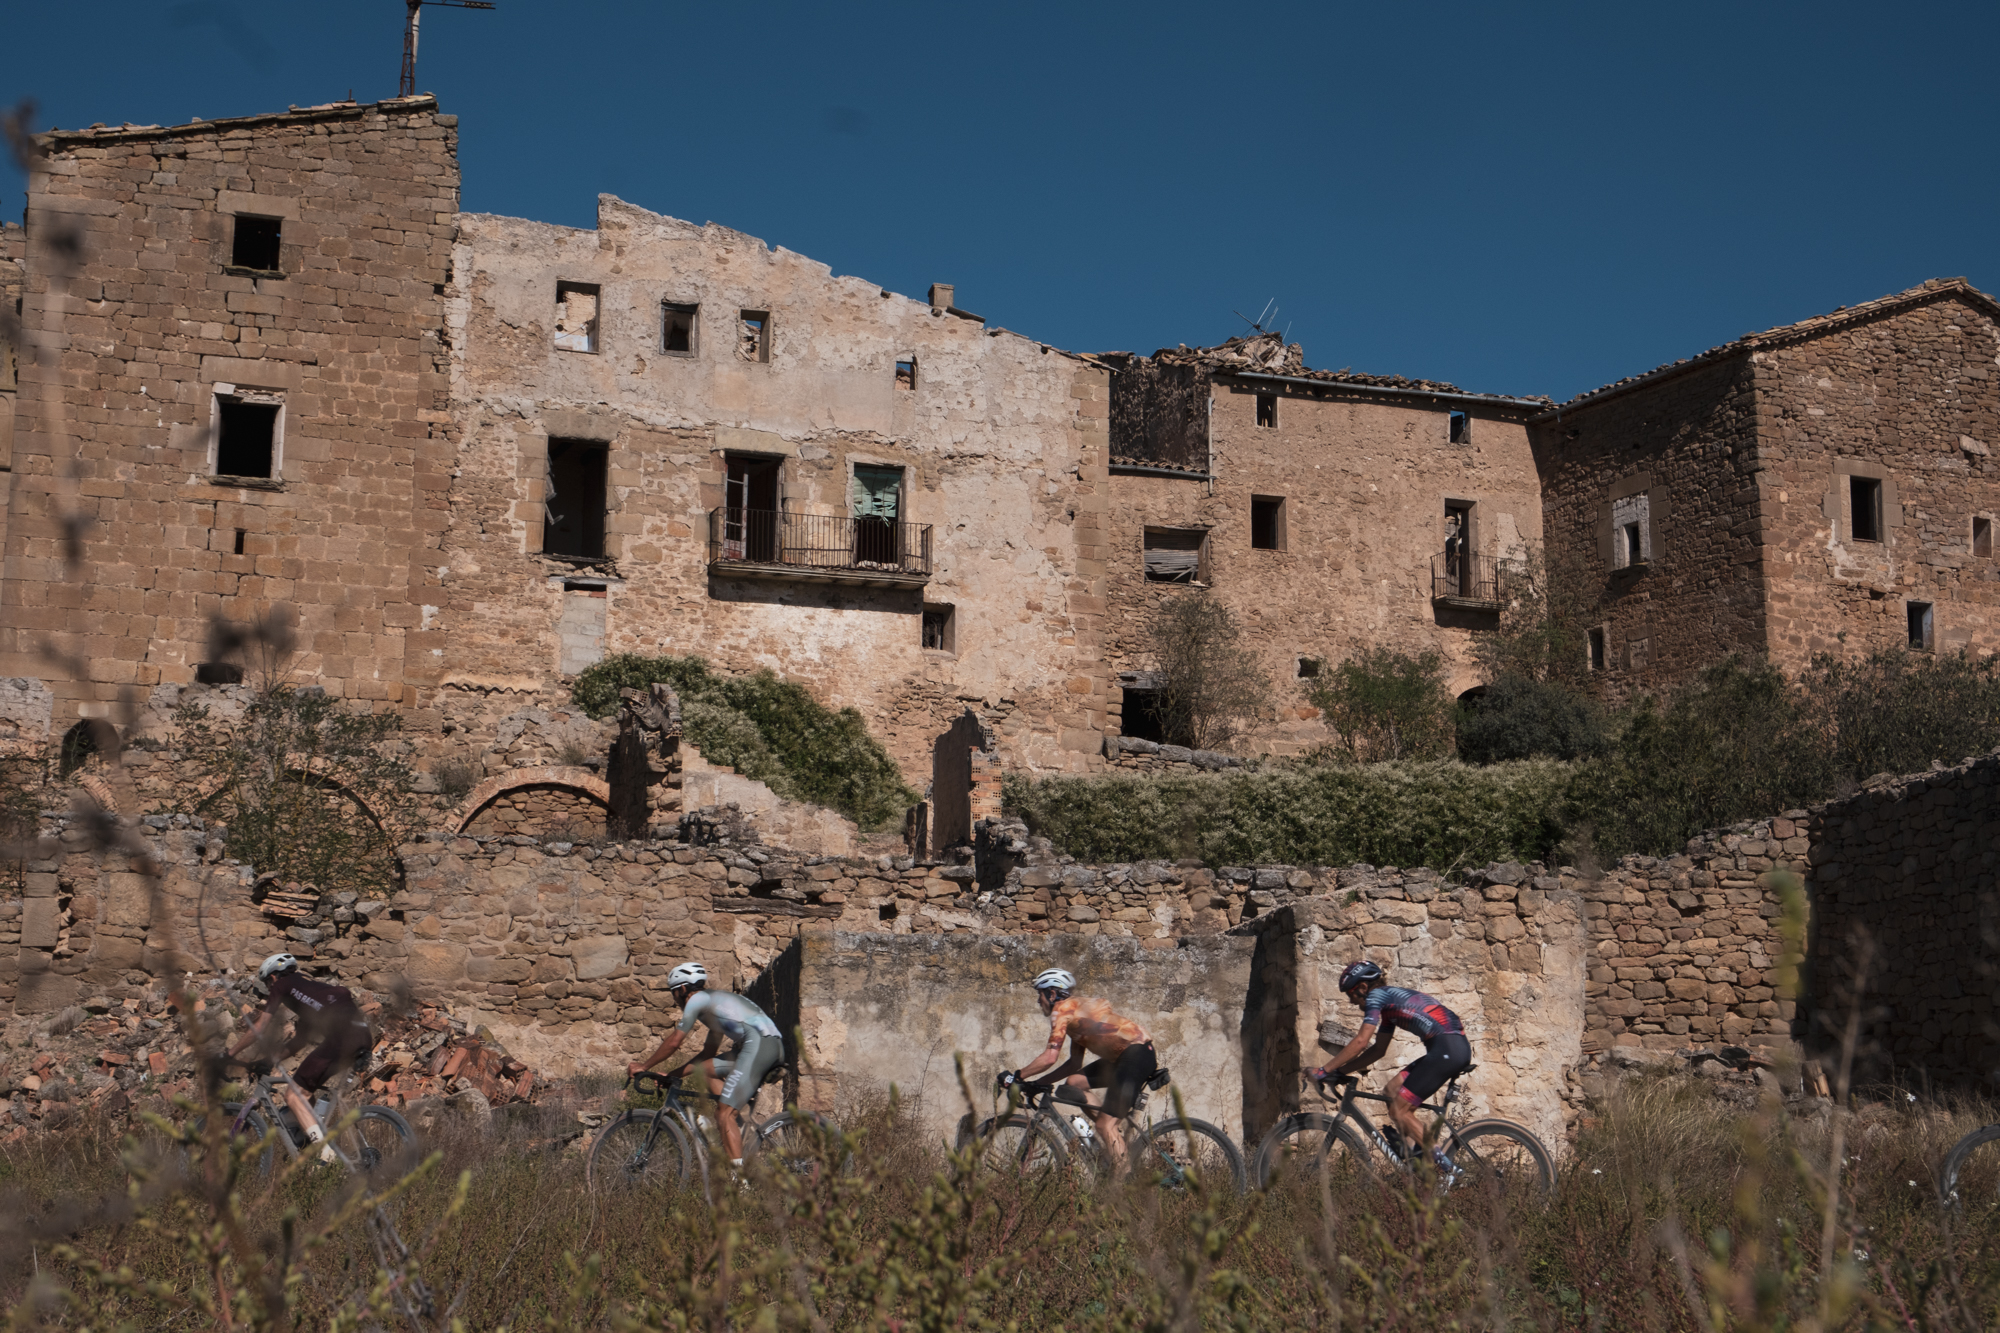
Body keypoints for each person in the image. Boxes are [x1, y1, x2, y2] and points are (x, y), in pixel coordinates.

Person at [1311, 961, 1471, 1174]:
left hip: (1447, 1050)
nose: (1351, 1001)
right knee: (1391, 1090)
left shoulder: (1377, 996)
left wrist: (1324, 1070)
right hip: (1447, 1048)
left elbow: (1361, 1041)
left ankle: (1447, 1170)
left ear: (1363, 987)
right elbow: (1378, 1050)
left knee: (1399, 1110)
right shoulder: (1388, 1008)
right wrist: (1341, 1071)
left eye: (1350, 994)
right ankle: (1416, 1164)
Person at [999, 968, 1156, 1176]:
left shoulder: (1062, 1010)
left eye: (1040, 994)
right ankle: (1113, 1136)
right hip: (1126, 1057)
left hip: (1135, 1055)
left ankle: (1125, 1181)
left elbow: (1050, 1056)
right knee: (1074, 1082)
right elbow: (1073, 1064)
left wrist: (1017, 1077)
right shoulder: (1076, 1014)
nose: (1038, 1001)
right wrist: (1038, 1083)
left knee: (1104, 1126)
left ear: (1052, 994)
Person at [628, 962, 783, 1172]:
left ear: (683, 989)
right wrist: (672, 1075)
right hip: (767, 1045)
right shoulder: (715, 1010)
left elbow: (675, 1042)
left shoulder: (698, 999)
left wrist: (644, 1065)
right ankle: (733, 1117)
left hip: (760, 1045)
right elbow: (707, 1056)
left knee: (723, 1114)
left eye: (674, 993)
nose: (675, 1000)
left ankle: (739, 1180)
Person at [226, 952, 374, 1157]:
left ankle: (325, 1155)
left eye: (268, 983)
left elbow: (260, 1026)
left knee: (294, 1095)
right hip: (362, 1036)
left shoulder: (282, 984)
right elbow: (299, 1041)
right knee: (305, 1092)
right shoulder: (310, 994)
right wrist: (269, 1060)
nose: (269, 989)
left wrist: (230, 1053)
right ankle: (313, 1144)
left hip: (340, 1038)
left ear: (273, 976)